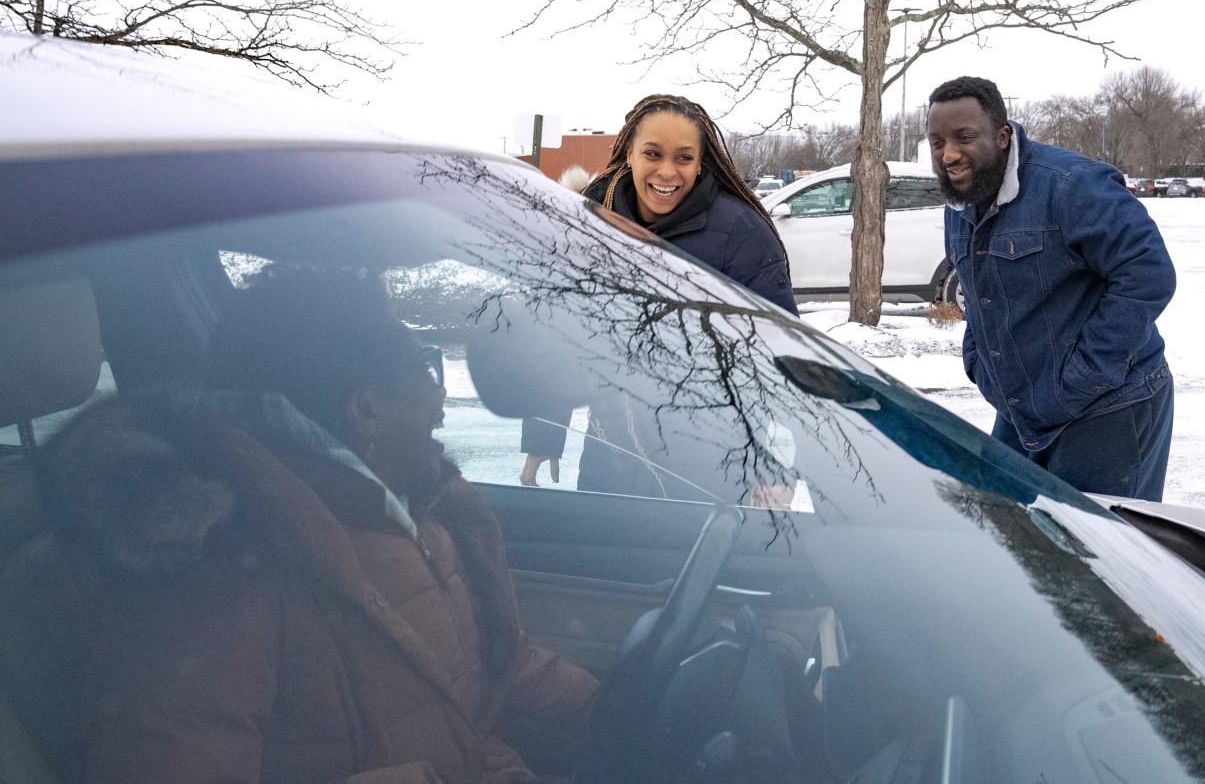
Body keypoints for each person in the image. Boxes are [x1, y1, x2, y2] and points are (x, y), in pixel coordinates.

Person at [42, 267, 598, 783]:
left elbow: (491, 669)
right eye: (426, 369)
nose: (441, 396)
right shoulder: (214, 572)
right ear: (366, 410)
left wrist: (616, 709)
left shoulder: (408, 511)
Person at [521, 93, 797, 489]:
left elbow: (780, 361)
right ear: (628, 153)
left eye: (683, 158)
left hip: (711, 470)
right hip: (608, 461)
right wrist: (543, 437)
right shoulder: (589, 219)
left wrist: (773, 470)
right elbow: (559, 336)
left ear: (700, 162)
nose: (667, 171)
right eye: (653, 154)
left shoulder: (742, 234)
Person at [926, 76, 1176, 500]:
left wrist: (1084, 375)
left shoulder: (1072, 186)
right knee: (1014, 543)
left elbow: (1148, 273)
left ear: (1003, 136)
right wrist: (979, 361)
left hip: (1108, 406)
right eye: (937, 141)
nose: (949, 154)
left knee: (1095, 556)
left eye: (964, 137)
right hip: (1023, 409)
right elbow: (979, 287)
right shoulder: (962, 200)